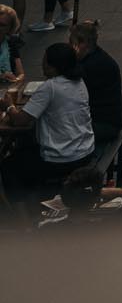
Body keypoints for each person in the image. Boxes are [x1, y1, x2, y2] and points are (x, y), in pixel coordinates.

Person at [0, 41, 95, 208]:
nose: (41, 65)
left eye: (44, 62)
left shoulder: (50, 87)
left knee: (9, 167)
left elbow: (21, 120)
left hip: (62, 158)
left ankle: (23, 215)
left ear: (53, 67)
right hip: (85, 150)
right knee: (26, 148)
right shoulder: (79, 81)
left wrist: (8, 105)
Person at [68, 19, 122, 148]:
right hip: (105, 119)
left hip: (103, 124)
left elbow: (70, 87)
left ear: (84, 44)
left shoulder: (91, 65)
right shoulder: (95, 57)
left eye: (72, 43)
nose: (70, 47)